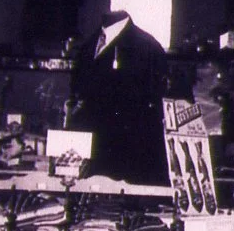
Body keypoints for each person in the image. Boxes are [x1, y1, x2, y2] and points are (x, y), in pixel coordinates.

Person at [71, 10, 169, 187]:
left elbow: (155, 112)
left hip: (132, 167)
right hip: (89, 165)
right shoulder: (87, 47)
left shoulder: (148, 48)